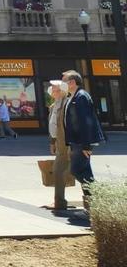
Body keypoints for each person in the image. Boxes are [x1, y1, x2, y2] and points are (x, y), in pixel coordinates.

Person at [62, 70, 106, 212]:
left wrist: (86, 145)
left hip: (82, 142)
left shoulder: (81, 97)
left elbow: (85, 121)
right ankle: (92, 208)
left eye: (64, 81)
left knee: (77, 170)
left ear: (72, 82)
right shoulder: (73, 96)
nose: (63, 84)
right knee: (85, 171)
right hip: (77, 141)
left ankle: (98, 198)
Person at [46, 80, 70, 210]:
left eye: (55, 89)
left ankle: (59, 202)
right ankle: (59, 202)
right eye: (52, 90)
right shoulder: (53, 106)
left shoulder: (68, 104)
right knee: (59, 171)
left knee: (63, 171)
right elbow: (52, 125)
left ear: (61, 91)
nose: (52, 92)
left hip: (68, 142)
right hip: (59, 142)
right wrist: (52, 142)